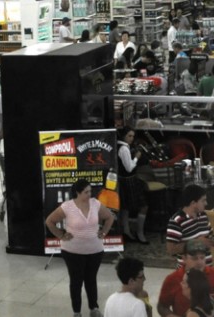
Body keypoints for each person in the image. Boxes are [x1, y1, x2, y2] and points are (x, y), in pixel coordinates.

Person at [45, 178, 116, 317]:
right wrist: (61, 235)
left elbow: (109, 217)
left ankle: (93, 308)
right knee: (76, 281)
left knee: (91, 279)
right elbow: (50, 221)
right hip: (72, 251)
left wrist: (104, 232)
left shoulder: (95, 204)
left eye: (90, 191)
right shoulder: (68, 206)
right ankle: (76, 311)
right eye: (86, 192)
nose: (89, 194)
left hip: (95, 251)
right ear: (77, 192)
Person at [157, 240, 214, 317]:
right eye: (194, 258)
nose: (199, 262)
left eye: (202, 257)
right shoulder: (172, 279)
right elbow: (162, 306)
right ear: (184, 258)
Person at [165, 184, 214, 267]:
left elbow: (210, 236)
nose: (206, 203)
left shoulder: (203, 215)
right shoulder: (177, 220)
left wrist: (213, 240)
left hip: (207, 270)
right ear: (193, 203)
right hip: (188, 274)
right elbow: (171, 249)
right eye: (203, 200)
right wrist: (196, 242)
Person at [116, 128, 148, 244]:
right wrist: (137, 157)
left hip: (123, 180)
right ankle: (139, 233)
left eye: (133, 136)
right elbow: (129, 168)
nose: (131, 139)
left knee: (125, 208)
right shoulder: (124, 148)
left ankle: (126, 231)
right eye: (129, 136)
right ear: (124, 136)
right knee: (143, 206)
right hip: (129, 180)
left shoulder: (119, 146)